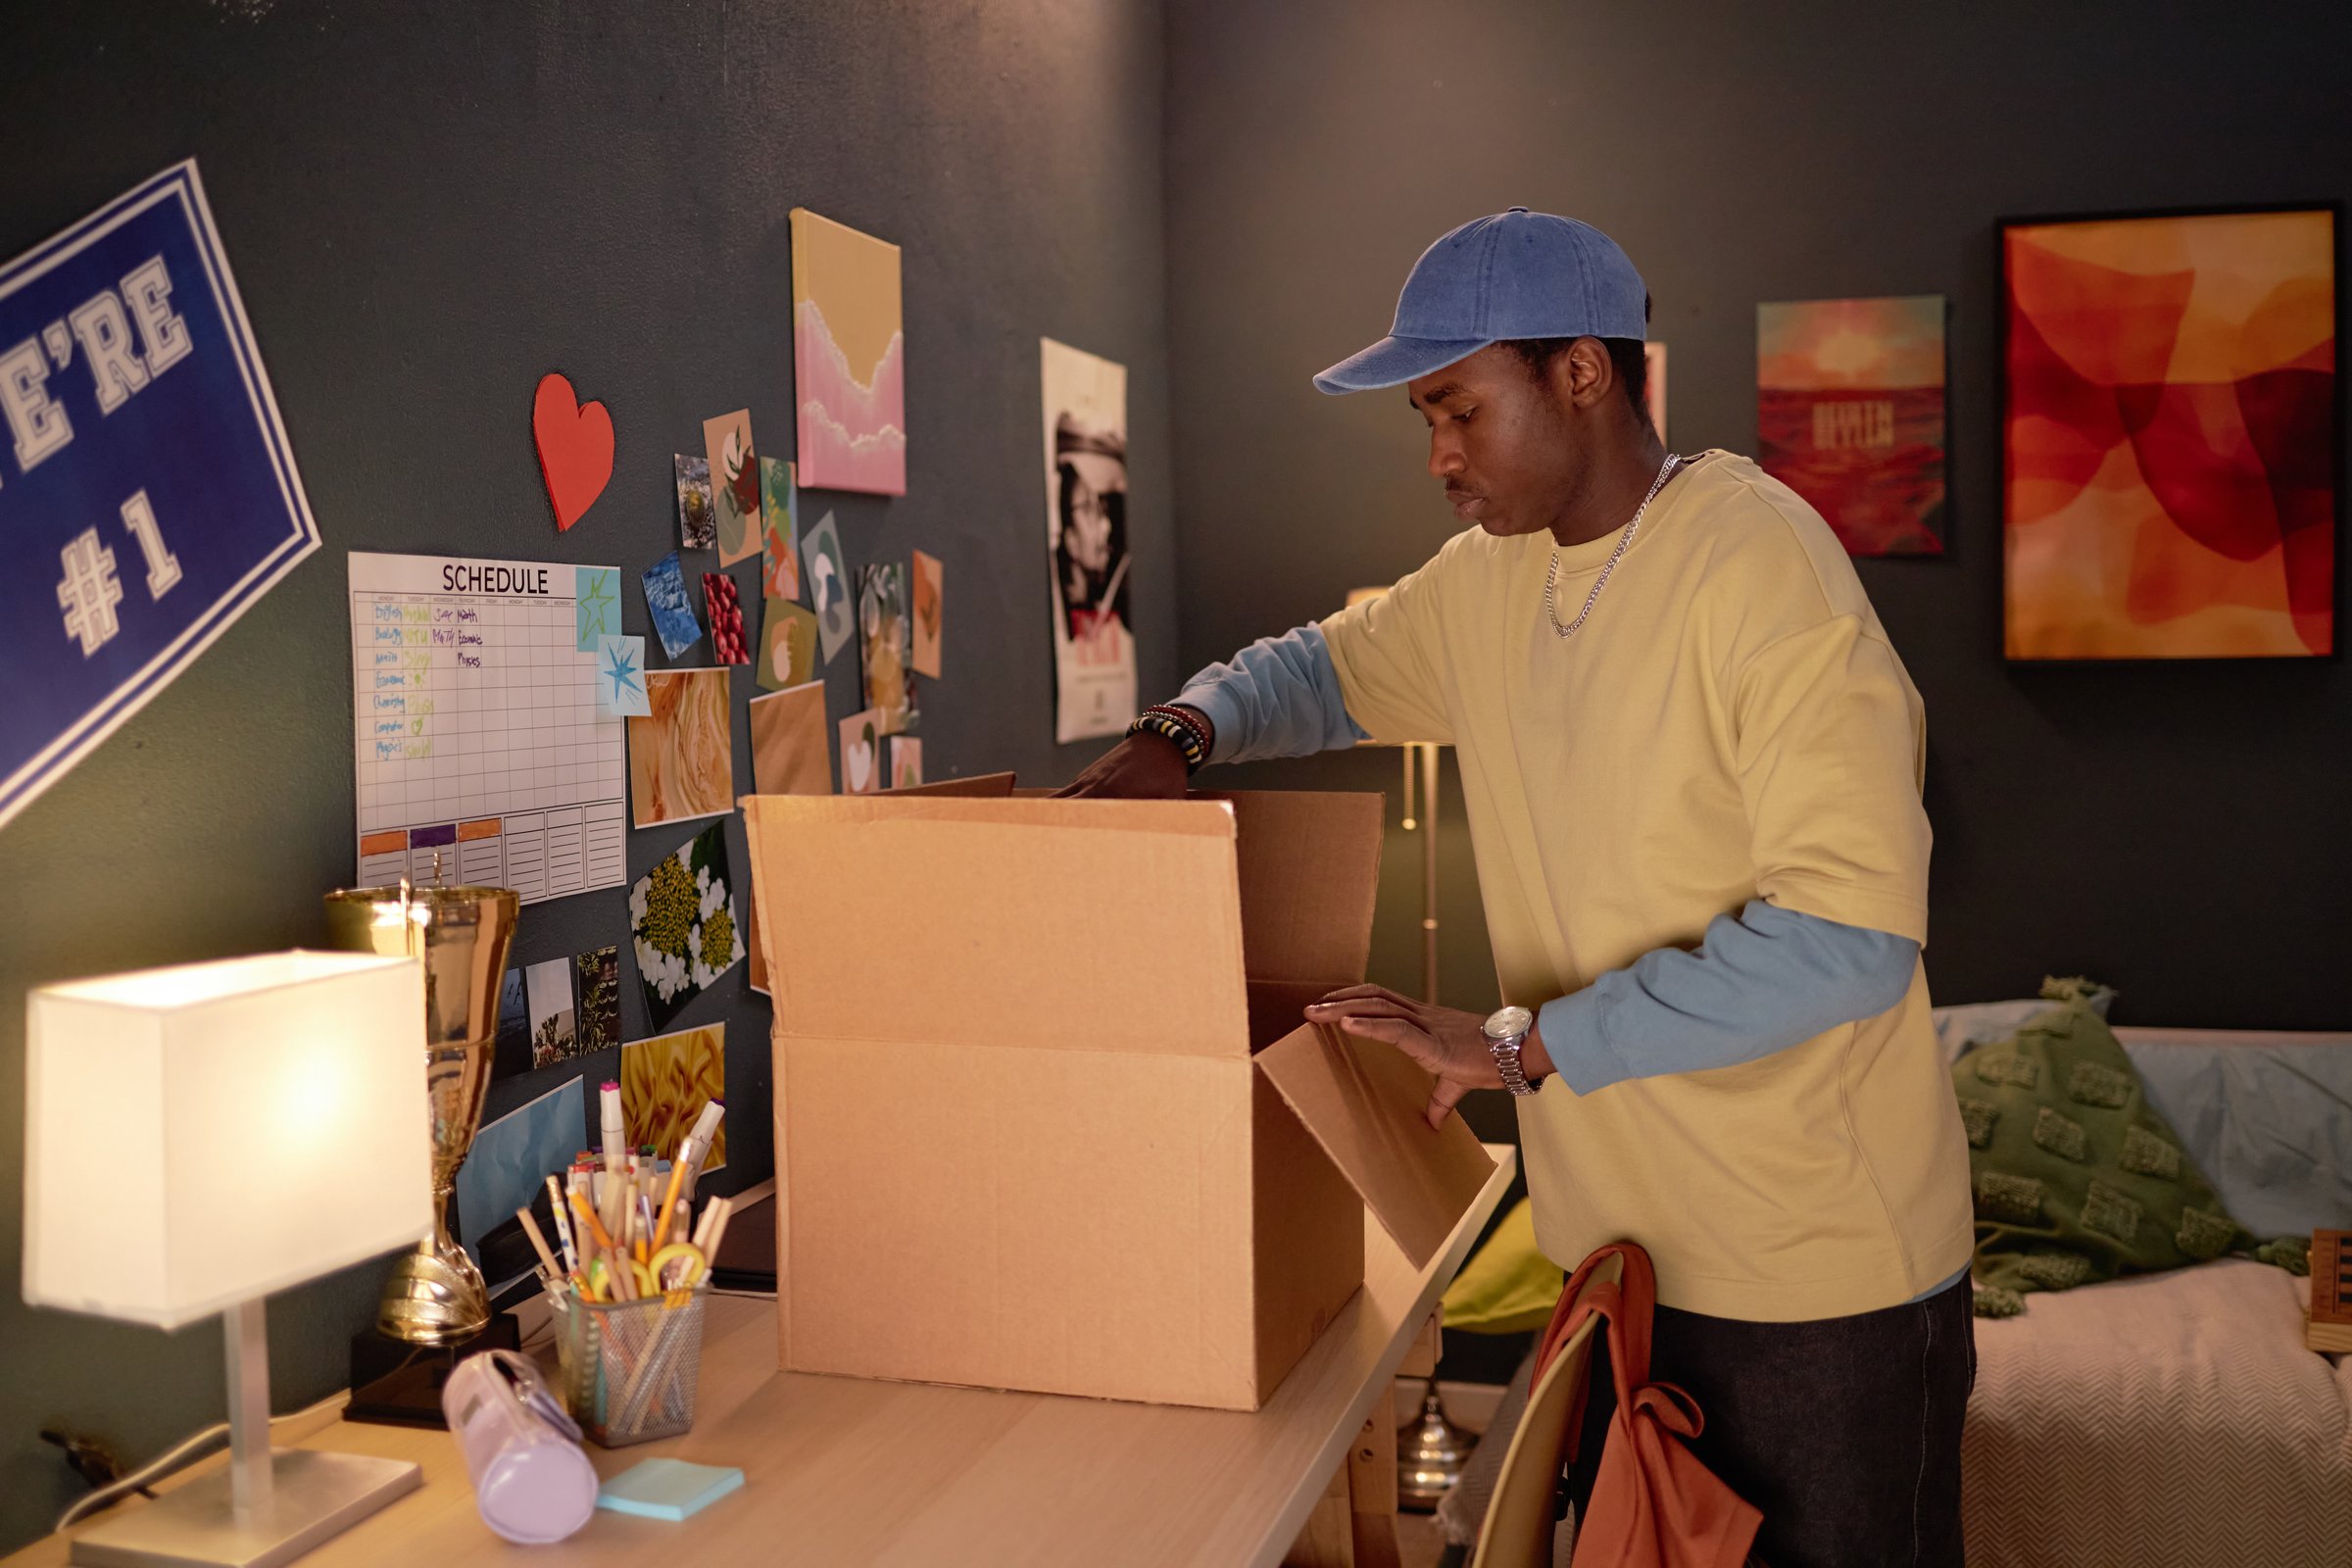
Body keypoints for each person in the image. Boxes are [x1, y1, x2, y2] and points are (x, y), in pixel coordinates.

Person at [1057, 209, 1975, 1567]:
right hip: (1623, 1270)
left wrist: (1522, 1042)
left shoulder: (1762, 571)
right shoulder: (1488, 580)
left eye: (1460, 410)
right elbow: (1317, 671)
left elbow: (1846, 942)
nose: (1437, 455)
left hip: (1818, 1284)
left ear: (1583, 374)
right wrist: (1175, 739)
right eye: (1426, 417)